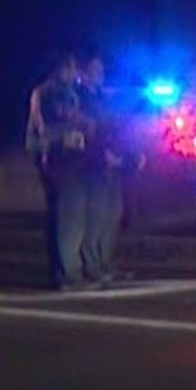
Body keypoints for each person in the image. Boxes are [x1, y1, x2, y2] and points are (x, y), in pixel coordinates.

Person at [26, 50, 92, 289]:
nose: (75, 73)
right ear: (61, 69)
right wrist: (60, 139)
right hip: (55, 159)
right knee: (65, 218)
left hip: (68, 159)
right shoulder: (45, 93)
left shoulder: (69, 93)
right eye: (71, 68)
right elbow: (44, 127)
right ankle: (66, 273)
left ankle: (63, 270)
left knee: (66, 217)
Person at [72, 48, 132, 285]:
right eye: (95, 70)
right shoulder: (80, 98)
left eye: (102, 70)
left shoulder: (101, 98)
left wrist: (125, 155)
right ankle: (91, 266)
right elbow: (87, 133)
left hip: (111, 164)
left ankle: (105, 262)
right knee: (95, 219)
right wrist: (103, 154)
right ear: (83, 73)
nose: (100, 75)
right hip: (92, 165)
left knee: (111, 216)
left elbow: (113, 129)